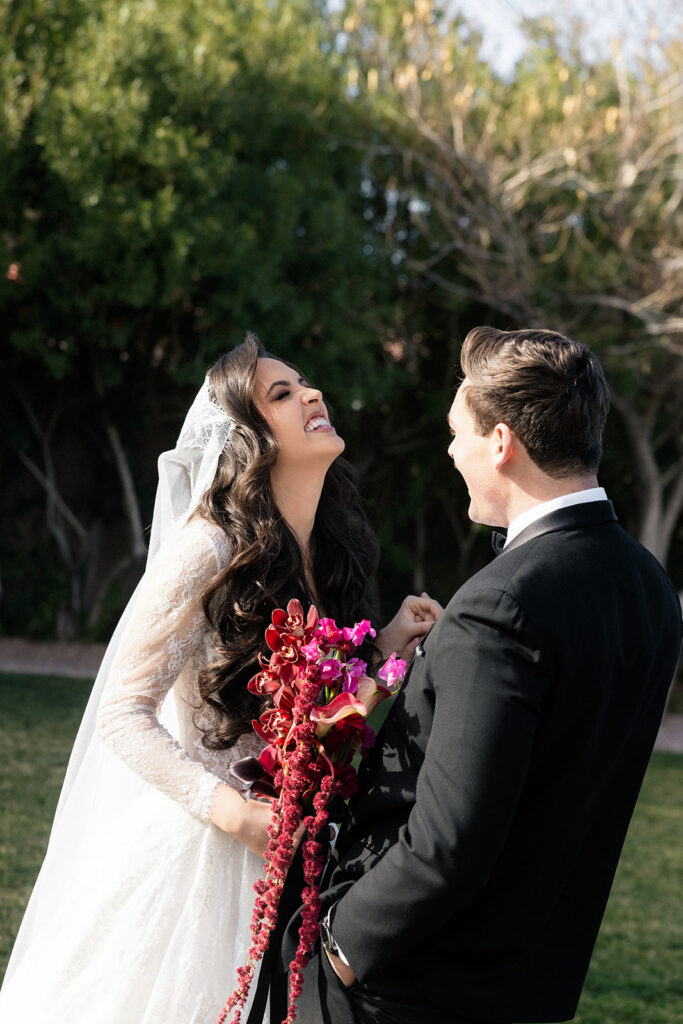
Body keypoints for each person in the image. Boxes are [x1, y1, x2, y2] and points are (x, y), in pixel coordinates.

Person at [0, 332, 440, 1024]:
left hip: (299, 859)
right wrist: (229, 811)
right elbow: (121, 710)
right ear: (248, 438)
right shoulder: (208, 548)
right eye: (282, 393)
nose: (312, 395)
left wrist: (387, 647)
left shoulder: (330, 553)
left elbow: (315, 723)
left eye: (305, 384)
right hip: (198, 860)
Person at [292, 327, 682, 1024]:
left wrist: (343, 946)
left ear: (499, 443)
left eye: (456, 433)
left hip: (410, 988)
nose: (449, 452)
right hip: (533, 987)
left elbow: (448, 841)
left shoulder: (500, 602)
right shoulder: (647, 586)